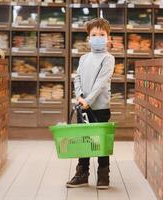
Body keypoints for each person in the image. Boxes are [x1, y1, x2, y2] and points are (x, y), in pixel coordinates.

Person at [66, 18, 115, 190]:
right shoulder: (84, 58)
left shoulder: (108, 59)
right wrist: (79, 96)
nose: (98, 37)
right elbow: (77, 77)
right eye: (94, 35)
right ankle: (82, 174)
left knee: (100, 142)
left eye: (102, 34)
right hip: (83, 105)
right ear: (89, 38)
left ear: (108, 38)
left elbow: (101, 83)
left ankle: (103, 176)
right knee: (84, 141)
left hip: (100, 107)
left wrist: (88, 100)